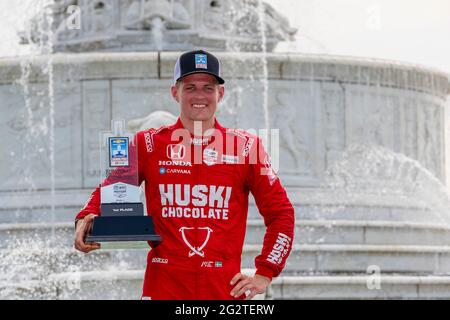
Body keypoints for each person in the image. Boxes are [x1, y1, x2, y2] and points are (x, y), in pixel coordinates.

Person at [74, 49, 295, 300]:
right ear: (174, 92)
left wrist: (265, 272)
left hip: (223, 290)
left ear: (220, 93)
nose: (199, 95)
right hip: (163, 287)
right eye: (190, 87)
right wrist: (85, 217)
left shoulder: (246, 147)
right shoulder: (147, 144)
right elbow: (112, 188)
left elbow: (281, 213)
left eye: (208, 87)